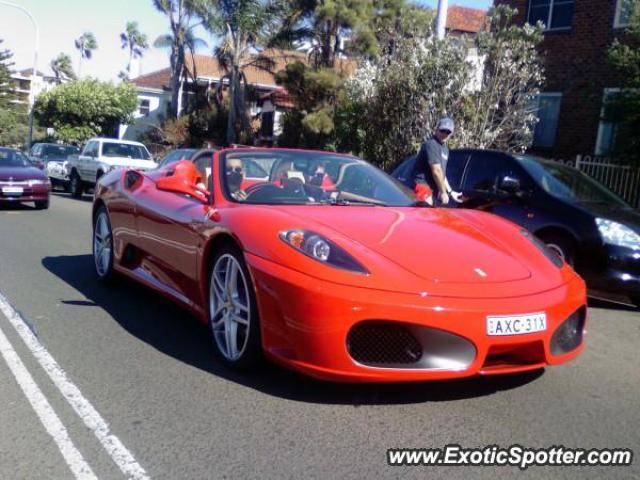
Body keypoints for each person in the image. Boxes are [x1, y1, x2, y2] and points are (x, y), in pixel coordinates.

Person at [413, 117, 463, 206]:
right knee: (425, 215)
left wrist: (450, 192)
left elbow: (442, 174)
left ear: (451, 134)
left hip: (434, 191)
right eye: (442, 130)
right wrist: (443, 192)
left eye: (448, 132)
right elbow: (436, 171)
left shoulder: (445, 150)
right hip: (423, 187)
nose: (445, 134)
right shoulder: (431, 145)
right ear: (437, 130)